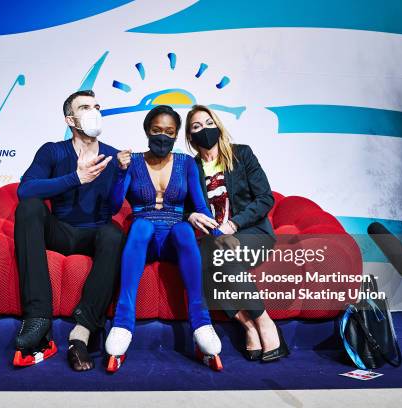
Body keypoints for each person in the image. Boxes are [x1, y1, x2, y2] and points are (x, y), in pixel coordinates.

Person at [104, 105, 223, 372]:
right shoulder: (132, 161)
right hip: (143, 238)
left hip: (173, 238)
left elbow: (201, 207)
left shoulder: (186, 164)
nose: (163, 137)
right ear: (147, 130)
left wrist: (219, 233)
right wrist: (120, 172)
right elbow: (113, 207)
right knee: (141, 227)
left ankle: (201, 323)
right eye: (157, 130)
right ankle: (123, 324)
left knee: (183, 230)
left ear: (176, 134)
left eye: (169, 132)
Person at [13, 90, 124, 371]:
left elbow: (112, 207)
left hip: (94, 233)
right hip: (60, 231)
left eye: (97, 106)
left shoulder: (112, 156)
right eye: (85, 107)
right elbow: (26, 189)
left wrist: (122, 175)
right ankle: (37, 316)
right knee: (29, 208)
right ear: (70, 119)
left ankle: (82, 331)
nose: (94, 111)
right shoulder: (53, 150)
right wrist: (76, 177)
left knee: (113, 232)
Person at [184, 104, 289, 362]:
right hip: (214, 240)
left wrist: (235, 224)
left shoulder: (242, 155)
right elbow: (182, 206)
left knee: (221, 253)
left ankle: (265, 323)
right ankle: (249, 325)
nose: (204, 130)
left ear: (218, 126)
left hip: (252, 234)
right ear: (189, 136)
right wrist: (190, 215)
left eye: (209, 123)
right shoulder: (190, 167)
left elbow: (265, 198)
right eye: (196, 127)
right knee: (201, 258)